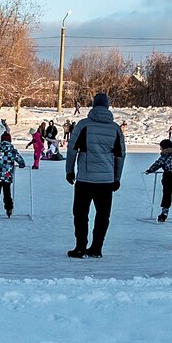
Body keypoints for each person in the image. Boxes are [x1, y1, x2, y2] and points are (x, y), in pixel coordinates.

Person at [64, 92, 125, 259]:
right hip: (106, 180)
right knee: (103, 215)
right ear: (107, 107)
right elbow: (120, 155)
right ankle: (97, 247)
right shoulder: (115, 129)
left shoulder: (83, 125)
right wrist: (116, 178)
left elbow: (72, 149)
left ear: (93, 106)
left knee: (81, 213)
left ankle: (80, 247)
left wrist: (69, 171)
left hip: (85, 178)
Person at [0, 132, 26, 218]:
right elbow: (21, 161)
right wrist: (21, 165)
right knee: (7, 193)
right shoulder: (13, 151)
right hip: (7, 176)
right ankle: (9, 209)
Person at [145, 139, 172, 223]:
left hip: (168, 177)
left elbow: (158, 164)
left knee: (167, 195)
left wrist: (150, 170)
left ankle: (164, 213)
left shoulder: (165, 155)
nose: (160, 149)